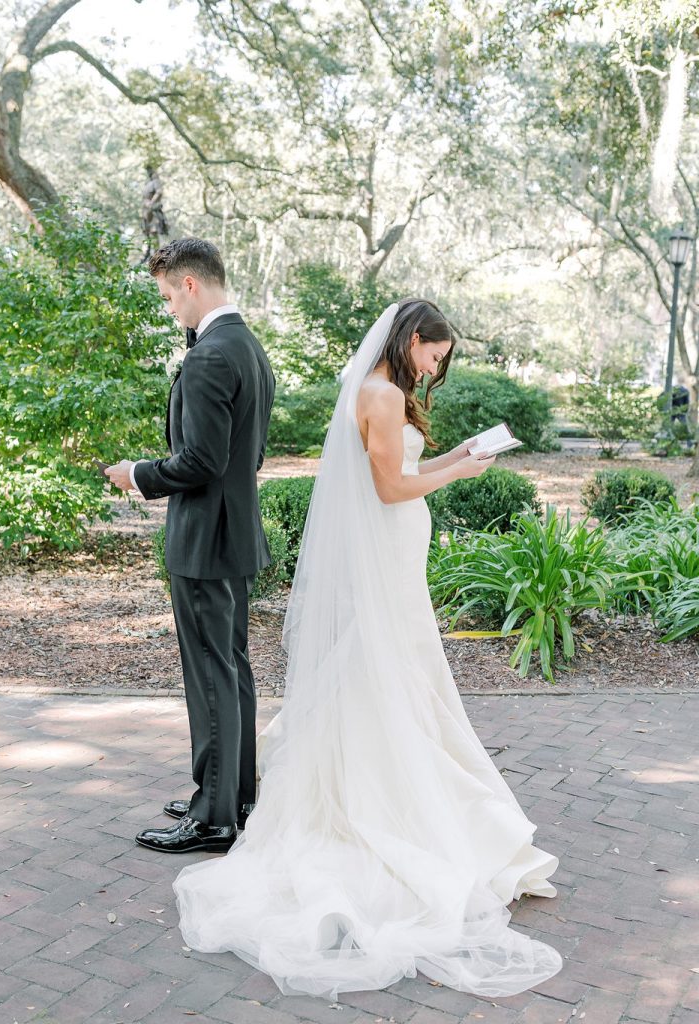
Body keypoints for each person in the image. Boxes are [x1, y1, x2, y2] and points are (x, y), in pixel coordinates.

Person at [170, 299, 563, 1000]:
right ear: (413, 339)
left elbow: (405, 467)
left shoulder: (380, 392)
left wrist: (459, 454)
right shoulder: (380, 395)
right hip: (388, 553)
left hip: (396, 556)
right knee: (389, 673)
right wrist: (457, 476)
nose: (436, 366)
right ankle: (386, 803)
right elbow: (389, 488)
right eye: (435, 354)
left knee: (396, 674)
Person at [105, 237, 275, 854]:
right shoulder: (249, 348)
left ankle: (213, 819)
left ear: (192, 285)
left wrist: (140, 474)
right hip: (234, 534)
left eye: (168, 295)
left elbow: (202, 459)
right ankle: (234, 794)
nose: (170, 307)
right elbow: (247, 455)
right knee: (230, 671)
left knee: (209, 676)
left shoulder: (209, 357)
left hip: (205, 540)